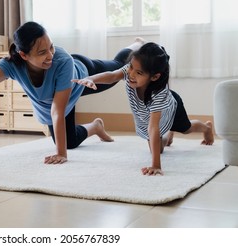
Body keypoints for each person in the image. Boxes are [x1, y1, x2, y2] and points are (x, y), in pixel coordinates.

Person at [0, 21, 143, 165]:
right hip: (58, 99)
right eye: (42, 52)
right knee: (69, 141)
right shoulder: (12, 64)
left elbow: (57, 110)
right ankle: (96, 126)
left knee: (118, 69)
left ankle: (135, 44)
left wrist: (60, 154)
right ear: (23, 55)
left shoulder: (62, 61)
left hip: (81, 76)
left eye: (51, 47)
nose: (50, 55)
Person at [72, 42, 214, 175]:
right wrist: (91, 79)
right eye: (131, 67)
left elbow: (153, 127)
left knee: (186, 128)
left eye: (139, 73)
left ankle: (206, 128)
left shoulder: (159, 94)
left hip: (171, 108)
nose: (131, 74)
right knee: (159, 150)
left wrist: (156, 166)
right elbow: (112, 76)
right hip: (150, 117)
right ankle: (168, 132)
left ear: (154, 77)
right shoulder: (130, 72)